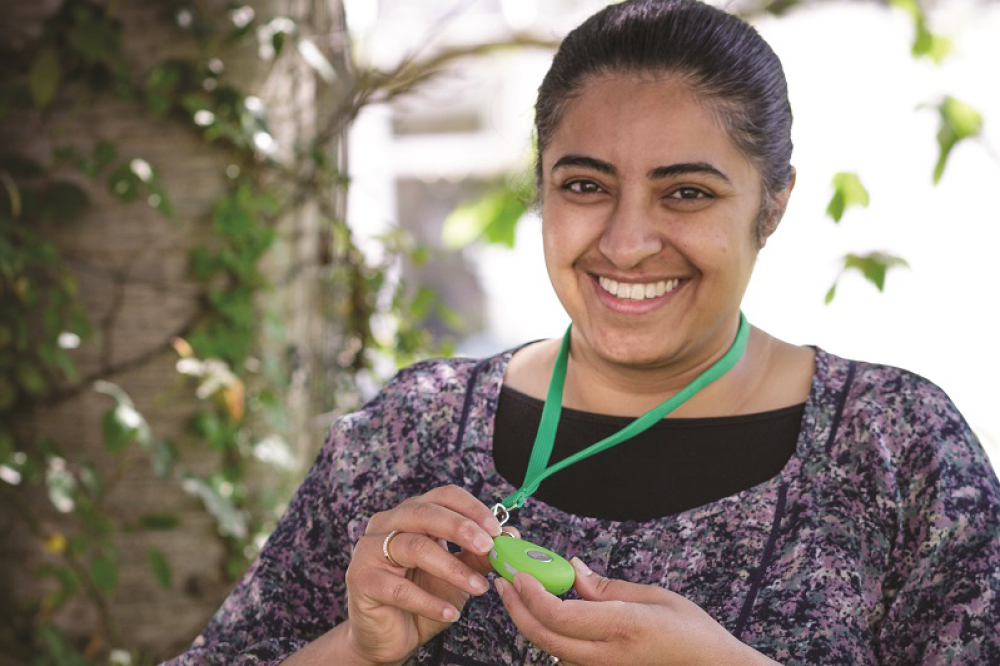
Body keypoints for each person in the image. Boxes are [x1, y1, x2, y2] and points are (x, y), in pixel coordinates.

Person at [161, 1, 1000, 664]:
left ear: (771, 203)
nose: (627, 242)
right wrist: (360, 647)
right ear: (541, 188)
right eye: (587, 184)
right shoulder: (409, 432)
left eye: (686, 193)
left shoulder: (896, 444)